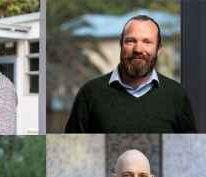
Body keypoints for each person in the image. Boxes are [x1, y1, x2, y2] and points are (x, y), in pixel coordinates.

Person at [65, 15, 196, 133]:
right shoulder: (89, 93)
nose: (138, 49)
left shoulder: (176, 95)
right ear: (121, 45)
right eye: (131, 41)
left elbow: (191, 152)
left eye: (147, 42)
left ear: (159, 50)